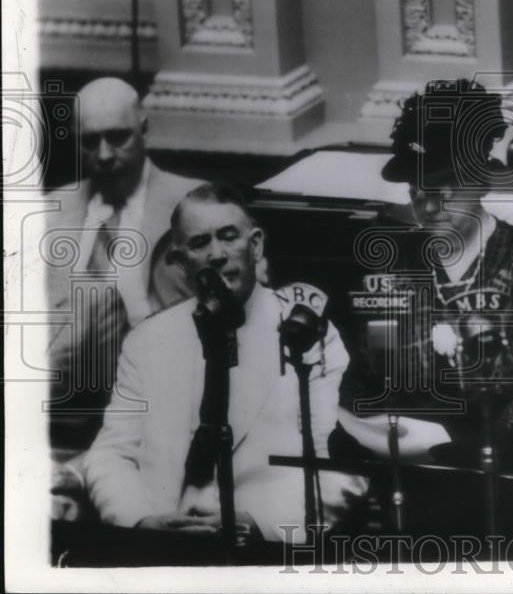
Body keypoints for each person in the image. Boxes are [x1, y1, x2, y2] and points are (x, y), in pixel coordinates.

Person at [337, 80, 513, 533]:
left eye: (442, 188)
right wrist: (372, 422)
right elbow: (369, 375)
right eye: (416, 192)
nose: (427, 206)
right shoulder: (397, 267)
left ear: (478, 178)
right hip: (405, 478)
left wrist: (472, 450)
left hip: (503, 483)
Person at [84, 183, 365, 542]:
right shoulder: (147, 341)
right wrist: (140, 522)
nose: (217, 254)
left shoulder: (310, 334)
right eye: (200, 243)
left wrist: (261, 524)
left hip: (264, 554)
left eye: (228, 237)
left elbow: (343, 465)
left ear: (256, 244)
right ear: (180, 261)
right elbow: (112, 453)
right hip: (165, 551)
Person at [46, 78, 202, 516]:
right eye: (89, 142)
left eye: (118, 137)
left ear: (145, 128)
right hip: (64, 417)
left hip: (162, 420)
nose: (104, 156)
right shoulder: (48, 214)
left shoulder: (193, 206)